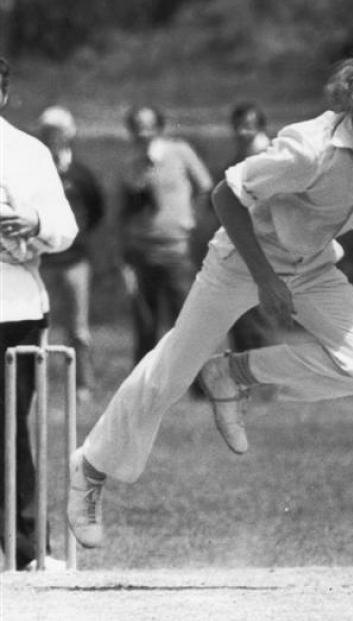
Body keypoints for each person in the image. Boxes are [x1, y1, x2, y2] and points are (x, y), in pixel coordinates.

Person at [67, 56, 353, 549]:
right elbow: (226, 195)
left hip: (312, 264)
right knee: (172, 372)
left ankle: (233, 373)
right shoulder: (308, 149)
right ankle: (90, 471)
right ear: (351, 103)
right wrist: (264, 279)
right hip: (241, 262)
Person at [0, 58, 79, 570]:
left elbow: (65, 228)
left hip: (14, 309)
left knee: (6, 430)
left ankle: (27, 550)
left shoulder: (27, 152)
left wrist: (34, 221)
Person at [118, 105, 213, 364]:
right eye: (136, 125)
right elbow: (125, 211)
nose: (142, 131)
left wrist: (192, 218)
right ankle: (144, 383)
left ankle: (197, 382)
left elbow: (205, 187)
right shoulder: (130, 164)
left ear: (159, 126)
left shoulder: (179, 151)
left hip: (176, 248)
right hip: (141, 250)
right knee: (145, 323)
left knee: (185, 318)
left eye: (148, 124)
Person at [36, 106, 106, 401]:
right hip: (42, 260)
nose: (53, 136)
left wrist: (79, 236)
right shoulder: (35, 170)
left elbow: (97, 209)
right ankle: (37, 385)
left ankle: (83, 386)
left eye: (58, 130)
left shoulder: (81, 173)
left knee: (78, 328)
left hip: (75, 261)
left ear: (69, 134)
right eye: (47, 131)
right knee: (39, 327)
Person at [221, 102, 277, 354]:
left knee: (260, 315)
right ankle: (243, 375)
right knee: (239, 316)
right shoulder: (237, 159)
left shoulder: (270, 157)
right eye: (238, 127)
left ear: (261, 128)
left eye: (249, 127)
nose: (243, 132)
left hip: (265, 247)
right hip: (237, 246)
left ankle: (264, 379)